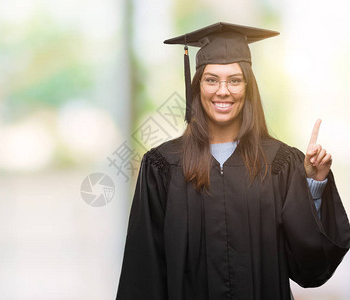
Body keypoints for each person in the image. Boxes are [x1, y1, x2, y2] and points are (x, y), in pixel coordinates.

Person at [116, 22, 350, 300]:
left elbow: (309, 267)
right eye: (211, 79)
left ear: (248, 87)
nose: (223, 91)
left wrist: (313, 183)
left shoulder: (280, 163)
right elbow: (143, 271)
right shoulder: (163, 166)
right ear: (197, 86)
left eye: (235, 80)